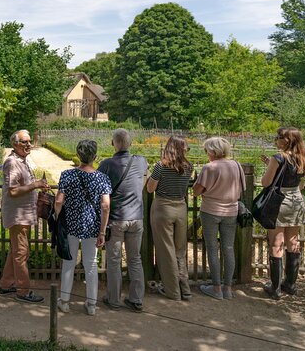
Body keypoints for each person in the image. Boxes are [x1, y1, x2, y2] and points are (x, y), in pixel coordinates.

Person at [54, 140, 111, 315]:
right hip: (92, 225)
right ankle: (91, 305)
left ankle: (64, 301)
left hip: (70, 224)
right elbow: (106, 205)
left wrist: (58, 219)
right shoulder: (102, 178)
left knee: (69, 262)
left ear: (78, 156)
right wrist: (102, 230)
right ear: (95, 157)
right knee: (91, 263)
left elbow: (58, 201)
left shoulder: (67, 175)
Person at [98, 129, 149, 313]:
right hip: (136, 218)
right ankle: (136, 299)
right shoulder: (141, 161)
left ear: (113, 143)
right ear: (131, 143)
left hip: (116, 219)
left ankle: (113, 299)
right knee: (135, 259)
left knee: (114, 260)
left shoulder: (107, 164)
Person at [0, 129, 50, 303]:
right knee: (22, 253)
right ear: (14, 144)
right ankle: (23, 290)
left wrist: (38, 186)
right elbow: (13, 191)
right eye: (24, 142)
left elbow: (23, 186)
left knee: (15, 251)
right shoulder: (12, 163)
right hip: (17, 215)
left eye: (29, 142)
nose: (28, 145)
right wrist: (35, 185)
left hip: (24, 214)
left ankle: (6, 285)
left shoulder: (23, 161)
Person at [260, 127, 305, 299]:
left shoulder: (278, 157)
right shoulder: (303, 158)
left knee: (276, 243)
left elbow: (266, 183)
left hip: (279, 202)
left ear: (286, 140)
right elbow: (300, 184)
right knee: (293, 242)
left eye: (278, 137)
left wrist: (270, 168)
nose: (276, 140)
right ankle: (290, 284)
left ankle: (275, 288)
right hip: (296, 201)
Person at [193, 137, 245, 300]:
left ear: (213, 151)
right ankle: (227, 288)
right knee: (228, 248)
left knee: (212, 248)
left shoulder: (209, 167)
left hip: (210, 210)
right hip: (231, 211)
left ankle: (216, 288)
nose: (206, 153)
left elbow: (197, 191)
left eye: (206, 150)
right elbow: (242, 188)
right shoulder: (236, 165)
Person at [146, 136, 194, 301]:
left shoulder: (161, 166)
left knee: (166, 251)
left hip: (163, 208)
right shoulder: (189, 166)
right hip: (181, 208)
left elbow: (150, 188)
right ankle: (185, 288)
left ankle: (172, 291)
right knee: (180, 250)